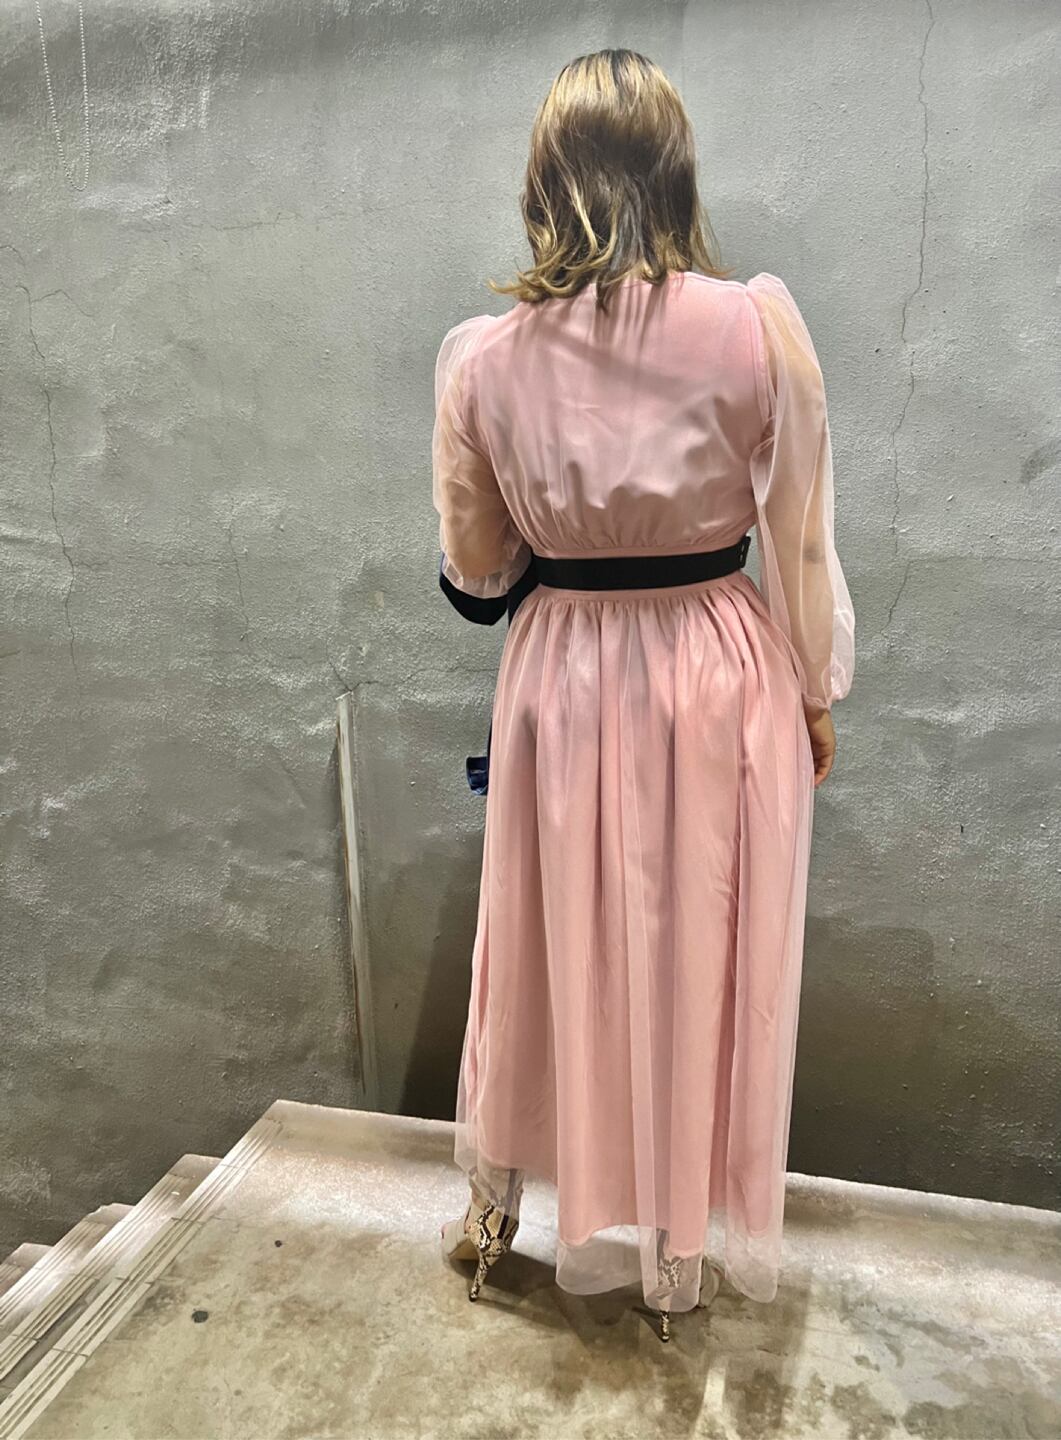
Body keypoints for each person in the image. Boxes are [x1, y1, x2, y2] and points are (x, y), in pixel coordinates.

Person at [433, 48, 855, 1344]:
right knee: (703, 952)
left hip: (561, 674)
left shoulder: (484, 361)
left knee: (543, 944)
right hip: (720, 670)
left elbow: (476, 573)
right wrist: (816, 690)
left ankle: (501, 1209)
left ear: (542, 182)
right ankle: (678, 1246)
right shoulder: (757, 329)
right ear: (673, 174)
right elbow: (796, 542)